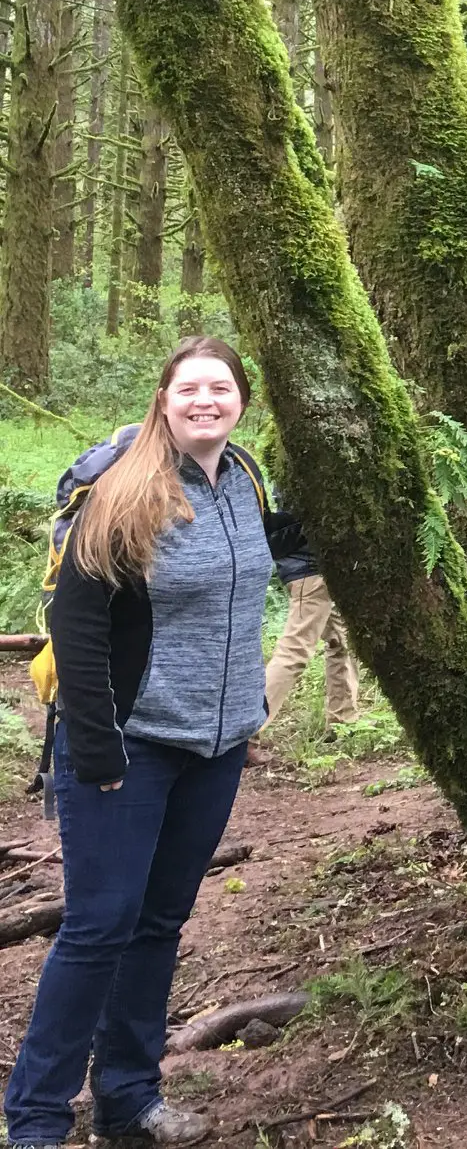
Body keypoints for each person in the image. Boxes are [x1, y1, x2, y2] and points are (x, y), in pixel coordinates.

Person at [7, 338, 275, 1149]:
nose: (205, 400)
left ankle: (128, 1097)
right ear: (163, 399)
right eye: (189, 388)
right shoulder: (127, 490)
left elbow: (270, 562)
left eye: (220, 388)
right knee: (99, 926)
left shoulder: (247, 481)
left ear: (241, 401)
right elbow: (78, 624)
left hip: (217, 745)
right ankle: (36, 1118)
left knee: (159, 921)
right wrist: (98, 751)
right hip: (131, 745)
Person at [255, 554, 361, 754]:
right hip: (312, 568)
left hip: (302, 566)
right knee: (295, 650)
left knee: (341, 639)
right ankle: (248, 732)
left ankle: (343, 722)